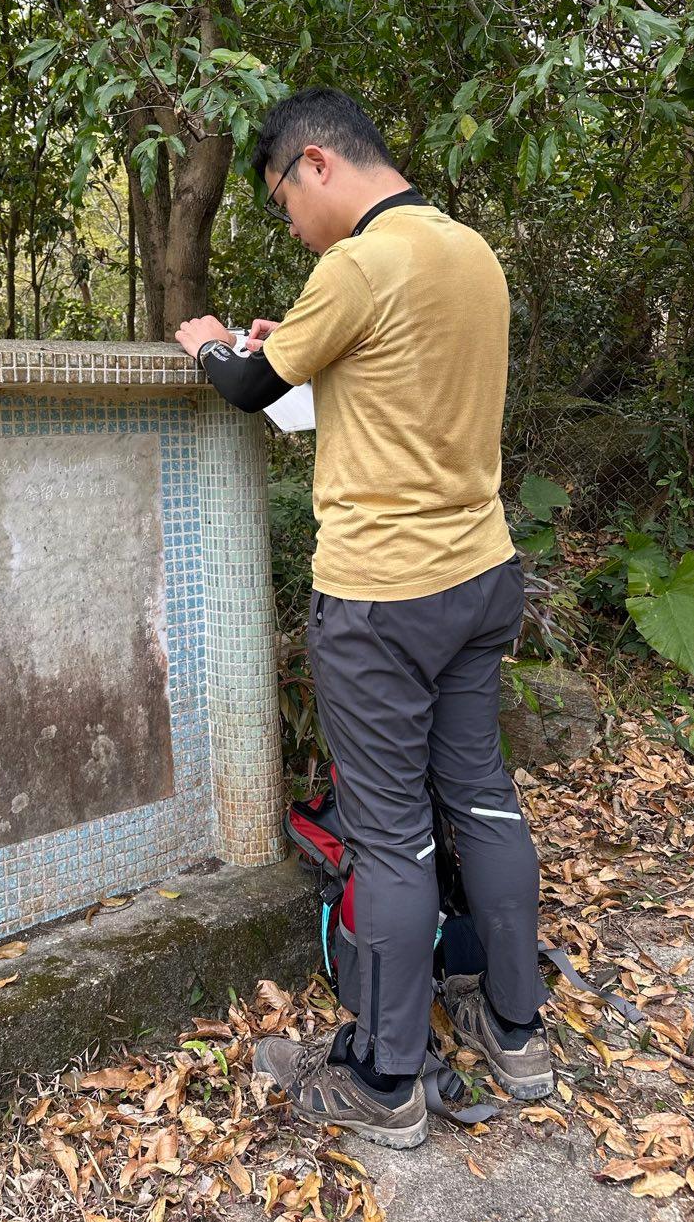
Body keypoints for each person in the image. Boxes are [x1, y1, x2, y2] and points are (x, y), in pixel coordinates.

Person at [173, 87, 552, 1150]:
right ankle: (517, 1028)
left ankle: (386, 1083)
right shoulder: (471, 252)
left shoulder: (357, 264)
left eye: (283, 201)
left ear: (317, 165)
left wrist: (213, 342)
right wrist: (285, 340)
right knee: (480, 796)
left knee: (387, 837)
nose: (291, 226)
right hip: (481, 574)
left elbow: (251, 386)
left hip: (384, 598)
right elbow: (384, 378)